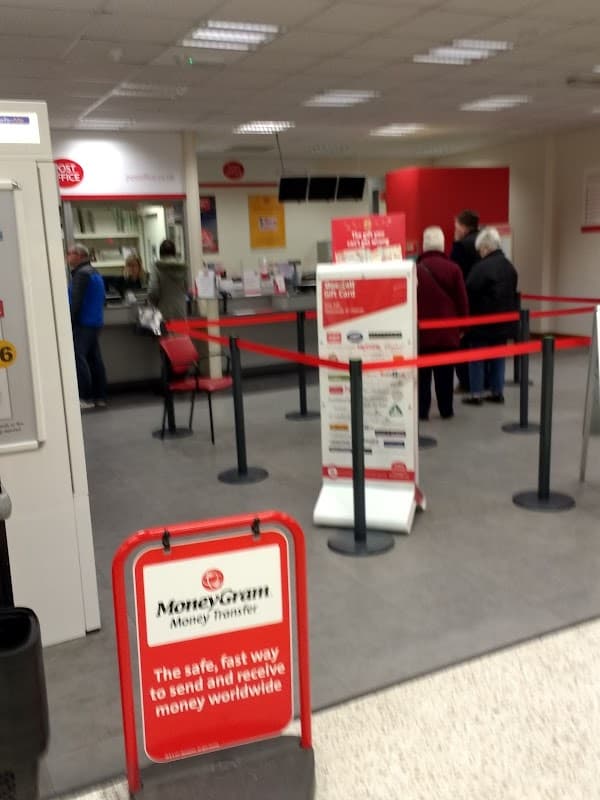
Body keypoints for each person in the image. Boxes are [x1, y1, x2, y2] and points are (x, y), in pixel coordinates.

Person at [417, 226, 469, 421]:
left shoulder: (415, 269)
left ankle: (422, 411)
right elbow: (462, 300)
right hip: (447, 333)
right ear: (442, 245)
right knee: (445, 374)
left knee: (422, 376)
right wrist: (463, 327)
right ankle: (446, 409)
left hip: (421, 333)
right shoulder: (453, 268)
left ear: (424, 245)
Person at [462, 227, 519, 406]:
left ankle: (476, 393)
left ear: (486, 248)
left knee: (477, 358)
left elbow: (468, 291)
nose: (479, 253)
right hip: (504, 321)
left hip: (482, 322)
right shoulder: (510, 267)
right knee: (498, 357)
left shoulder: (481, 267)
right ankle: (497, 391)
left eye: (480, 250)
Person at [67, 244, 108, 410]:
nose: (67, 257)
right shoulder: (94, 272)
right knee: (94, 360)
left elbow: (75, 302)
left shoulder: (81, 275)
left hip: (83, 323)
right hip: (95, 323)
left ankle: (84, 397)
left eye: (69, 253)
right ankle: (100, 396)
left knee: (79, 359)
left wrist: (68, 323)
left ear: (78, 255)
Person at [148, 239, 190, 321]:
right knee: (181, 333)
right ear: (174, 253)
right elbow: (186, 288)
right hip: (180, 312)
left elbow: (153, 290)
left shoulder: (157, 267)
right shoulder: (183, 267)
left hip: (163, 313)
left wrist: (154, 303)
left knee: (166, 333)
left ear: (160, 254)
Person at [450, 209, 480, 282]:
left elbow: (453, 268)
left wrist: (456, 242)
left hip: (468, 285)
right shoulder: (484, 239)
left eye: (457, 228)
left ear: (464, 228)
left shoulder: (461, 245)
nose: (455, 231)